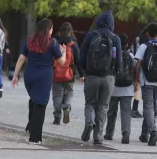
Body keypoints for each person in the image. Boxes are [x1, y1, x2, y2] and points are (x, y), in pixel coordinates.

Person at [11, 18, 66, 144]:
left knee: (35, 100)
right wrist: (64, 53)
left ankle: (31, 126)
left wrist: (15, 75)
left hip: (29, 75)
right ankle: (35, 138)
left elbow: (21, 59)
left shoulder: (29, 41)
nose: (52, 31)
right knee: (40, 105)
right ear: (48, 29)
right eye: (51, 28)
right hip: (44, 76)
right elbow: (61, 62)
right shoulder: (52, 43)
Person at [79, 11, 122, 144]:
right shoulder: (116, 39)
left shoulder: (90, 36)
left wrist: (82, 73)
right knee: (103, 106)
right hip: (108, 77)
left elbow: (82, 56)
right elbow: (119, 60)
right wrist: (115, 72)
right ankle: (98, 136)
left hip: (91, 76)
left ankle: (89, 122)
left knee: (90, 103)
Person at [104, 33, 135, 144]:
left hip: (113, 88)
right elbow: (135, 69)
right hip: (128, 88)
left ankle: (109, 133)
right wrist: (136, 83)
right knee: (126, 111)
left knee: (111, 111)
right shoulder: (131, 56)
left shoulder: (113, 55)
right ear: (126, 45)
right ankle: (125, 133)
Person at [52, 22, 84, 125]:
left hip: (56, 74)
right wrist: (82, 74)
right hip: (70, 74)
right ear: (70, 33)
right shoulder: (73, 46)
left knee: (57, 95)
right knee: (69, 92)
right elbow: (78, 60)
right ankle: (66, 107)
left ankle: (57, 116)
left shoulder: (55, 44)